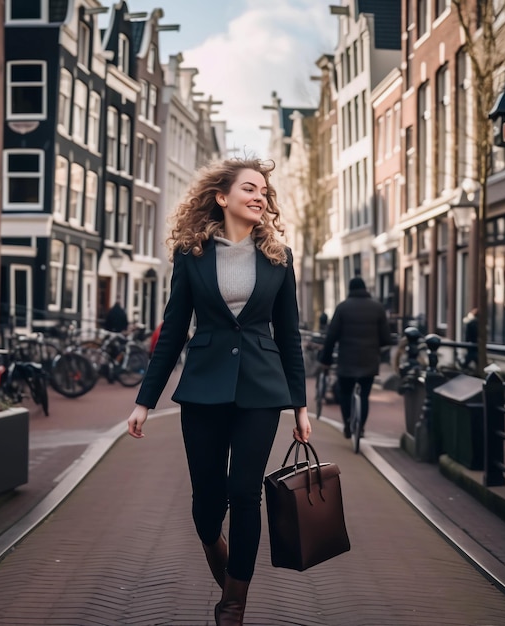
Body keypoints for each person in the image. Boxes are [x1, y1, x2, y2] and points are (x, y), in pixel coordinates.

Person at [127, 157, 310, 626]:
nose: (260, 196)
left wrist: (300, 406)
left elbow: (289, 335)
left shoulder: (280, 258)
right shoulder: (192, 256)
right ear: (222, 197)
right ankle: (218, 549)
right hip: (204, 388)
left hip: (261, 390)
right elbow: (172, 331)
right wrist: (145, 401)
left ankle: (233, 605)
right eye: (250, 188)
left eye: (265, 191)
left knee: (245, 494)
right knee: (208, 502)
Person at [318, 277, 391, 438]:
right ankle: (361, 428)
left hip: (347, 360)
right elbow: (386, 338)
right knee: (364, 395)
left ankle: (347, 425)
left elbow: (331, 336)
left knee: (345, 393)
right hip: (369, 360)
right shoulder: (378, 308)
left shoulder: (342, 308)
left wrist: (326, 359)